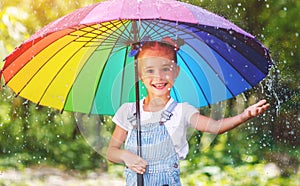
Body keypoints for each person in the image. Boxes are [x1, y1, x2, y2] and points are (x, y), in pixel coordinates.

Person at [106, 37, 270, 185]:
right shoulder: (128, 111)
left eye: (165, 68)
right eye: (150, 70)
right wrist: (125, 156)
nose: (159, 77)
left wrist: (243, 115)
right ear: (140, 75)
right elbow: (111, 152)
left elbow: (215, 127)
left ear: (176, 72)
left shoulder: (182, 111)